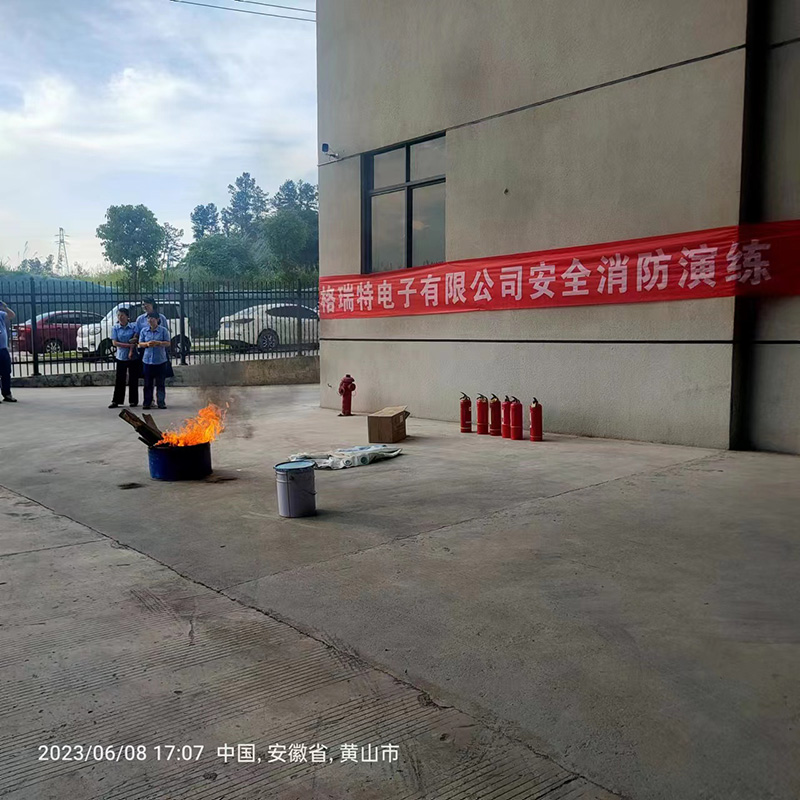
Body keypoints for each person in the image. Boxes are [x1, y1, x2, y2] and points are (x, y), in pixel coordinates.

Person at [108, 307, 140, 409]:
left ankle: (133, 400)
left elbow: (135, 339)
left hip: (133, 356)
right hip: (121, 356)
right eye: (118, 315)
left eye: (122, 315)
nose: (120, 317)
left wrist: (131, 348)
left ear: (127, 316)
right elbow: (115, 342)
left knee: (133, 379)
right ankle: (116, 400)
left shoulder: (133, 327)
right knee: (120, 379)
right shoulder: (115, 328)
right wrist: (128, 345)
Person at [138, 312, 171, 410]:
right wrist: (147, 344)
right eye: (149, 318)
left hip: (160, 360)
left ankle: (161, 402)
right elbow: (140, 343)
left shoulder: (163, 330)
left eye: (152, 318)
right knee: (148, 383)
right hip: (147, 360)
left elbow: (168, 343)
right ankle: (147, 402)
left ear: (157, 319)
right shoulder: (144, 331)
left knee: (160, 383)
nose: (150, 320)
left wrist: (158, 343)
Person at [0, 300, 17, 403]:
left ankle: (7, 394)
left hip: (3, 349)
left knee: (6, 372)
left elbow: (11, 315)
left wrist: (4, 307)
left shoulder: (1, 314)